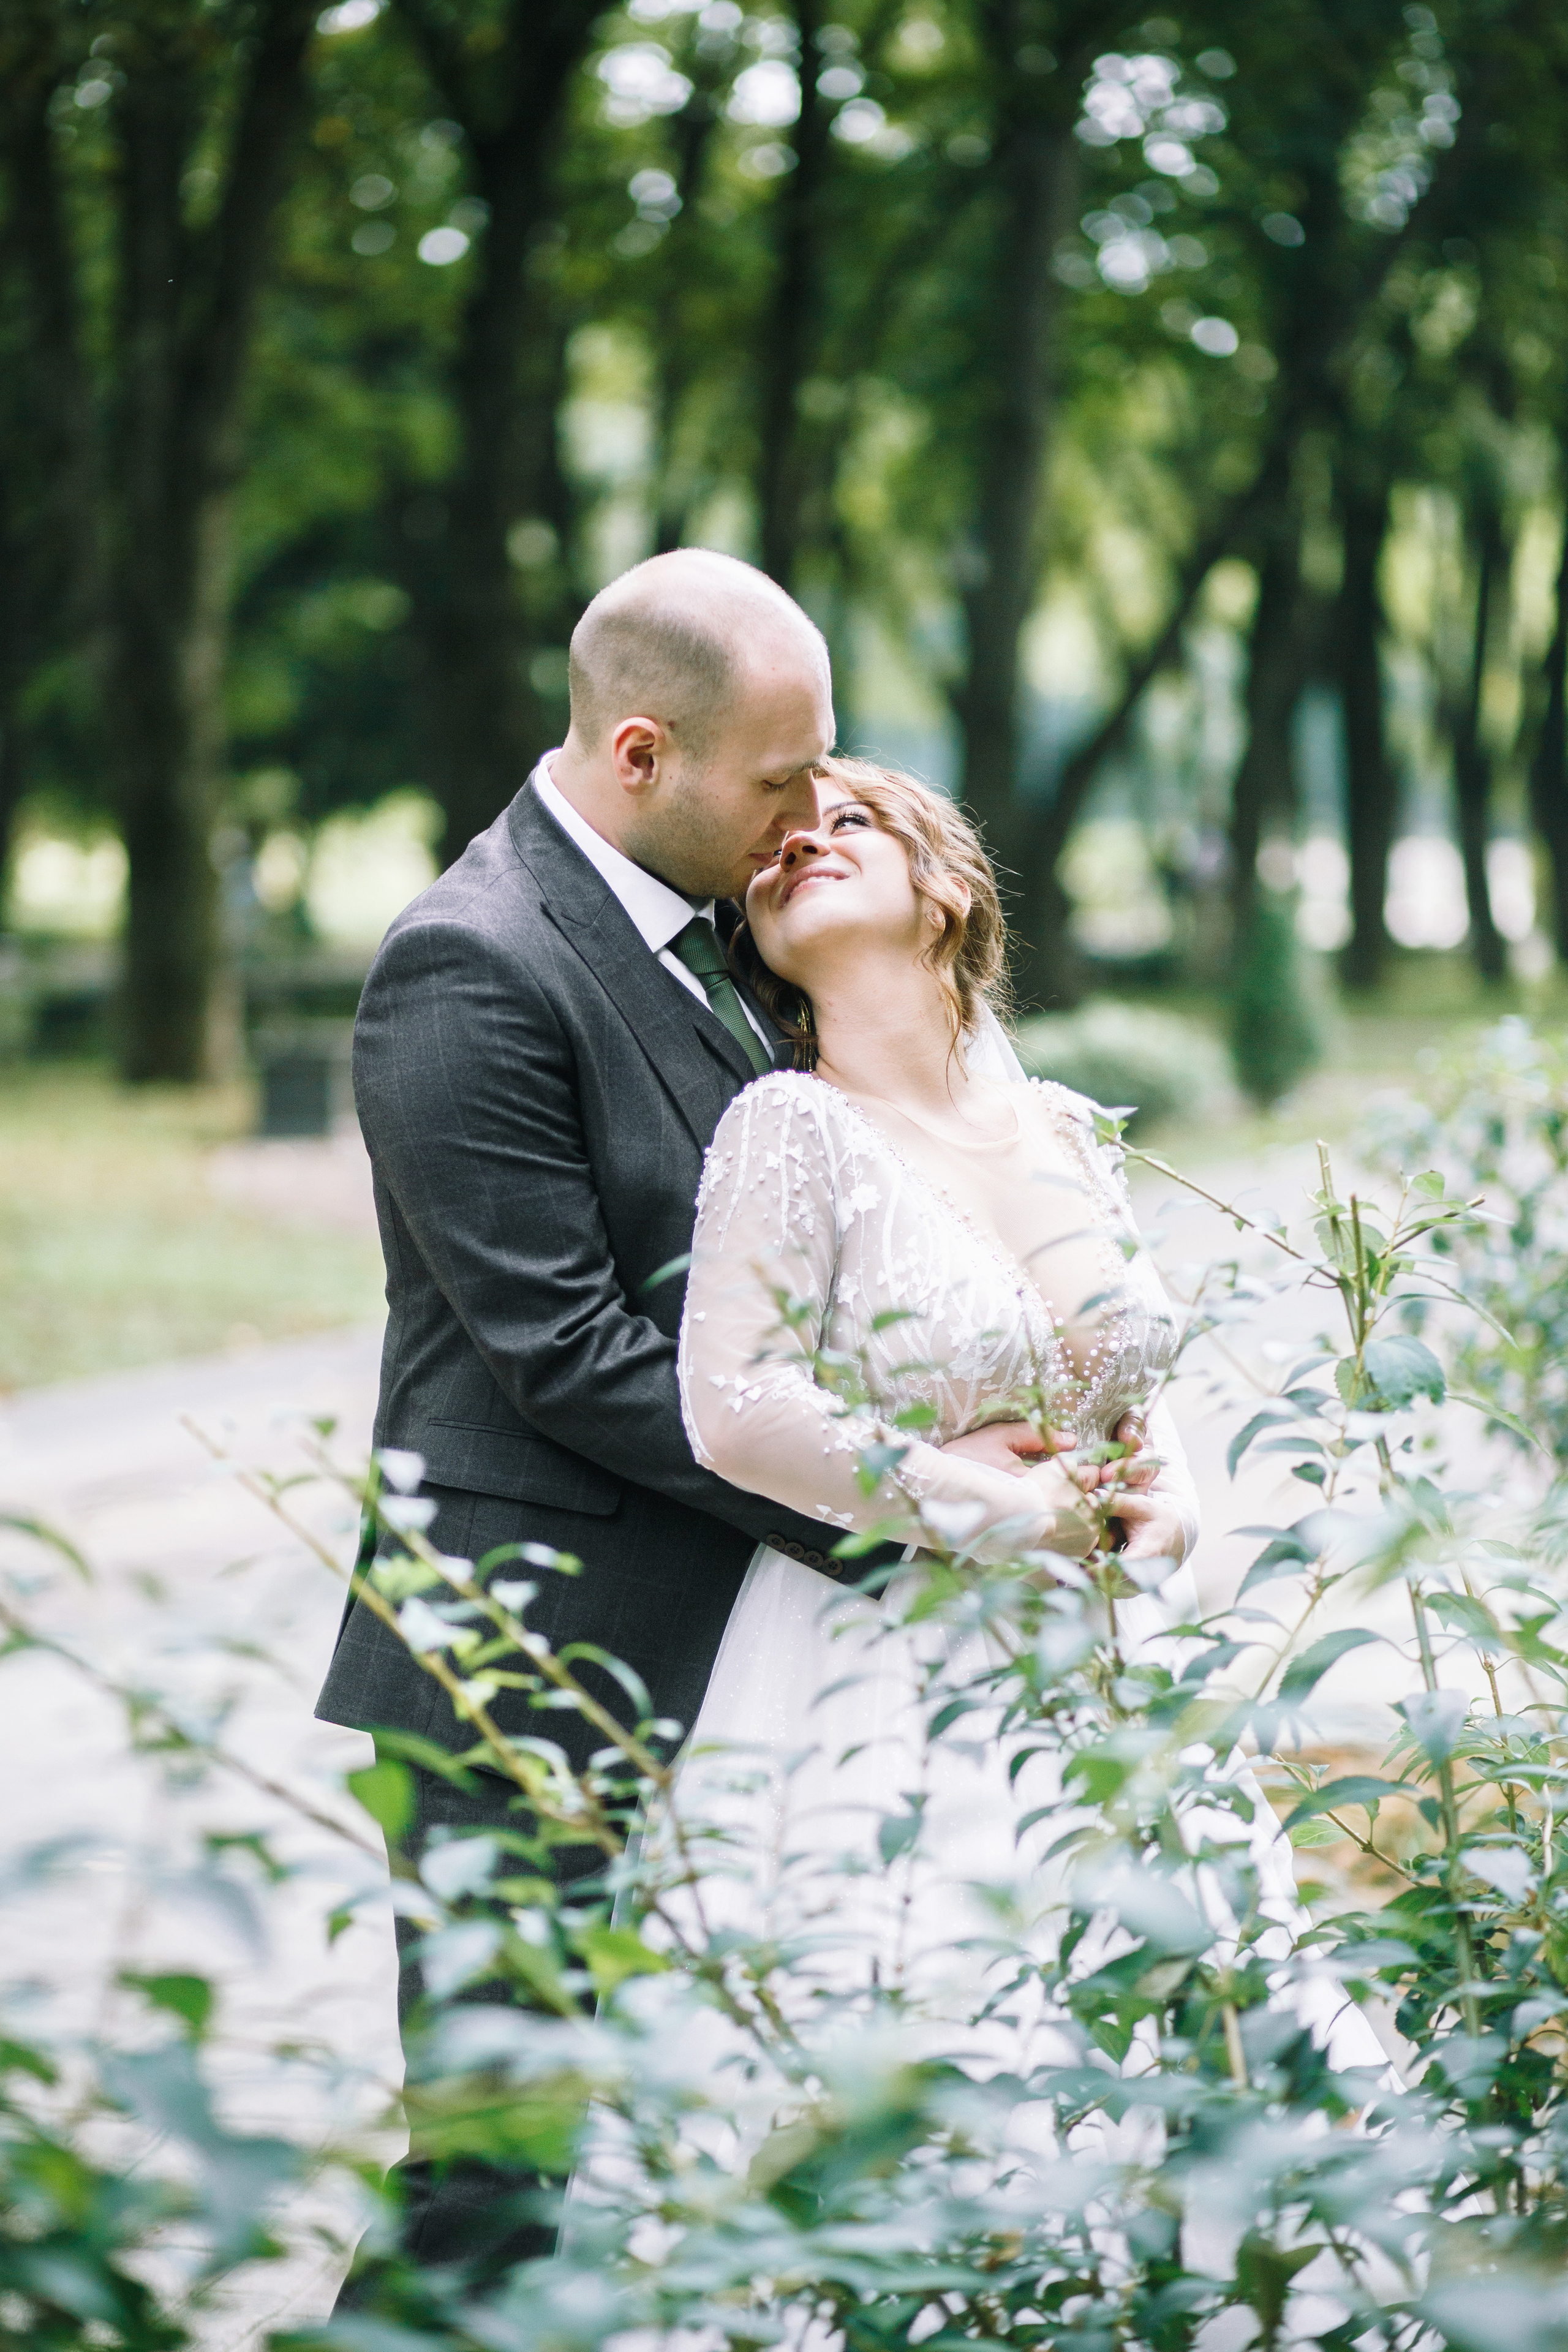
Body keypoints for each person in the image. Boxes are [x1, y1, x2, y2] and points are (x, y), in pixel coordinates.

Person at [317, 552, 1113, 2290]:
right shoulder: (473, 962)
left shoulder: (723, 938)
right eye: (776, 778)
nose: (808, 809)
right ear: (638, 755)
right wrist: (918, 1509)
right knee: (499, 2165)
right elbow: (575, 1354)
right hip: (528, 1652)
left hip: (746, 1655)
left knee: (727, 2134)